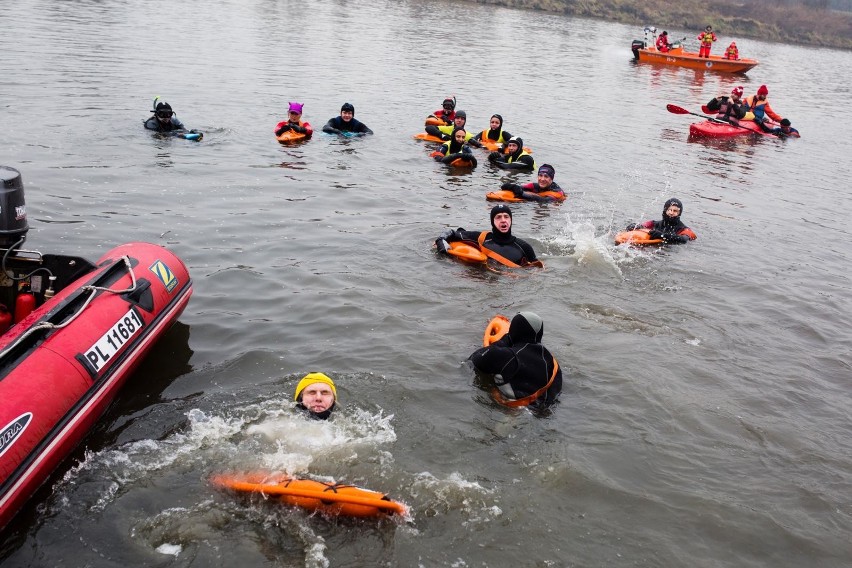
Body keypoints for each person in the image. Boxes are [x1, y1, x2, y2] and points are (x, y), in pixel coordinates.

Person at [469, 312, 562, 410]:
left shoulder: (507, 356)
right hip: (543, 414)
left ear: (514, 330)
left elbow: (473, 360)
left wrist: (504, 341)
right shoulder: (553, 363)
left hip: (513, 413)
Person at [435, 204, 540, 268]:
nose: (503, 220)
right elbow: (452, 233)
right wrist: (441, 241)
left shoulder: (524, 247)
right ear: (492, 222)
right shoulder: (482, 238)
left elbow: (537, 270)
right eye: (498, 217)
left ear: (510, 220)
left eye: (506, 217)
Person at [625, 198, 697, 244]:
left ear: (679, 213)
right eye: (669, 210)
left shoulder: (684, 229)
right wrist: (635, 226)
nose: (671, 213)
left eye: (675, 211)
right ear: (665, 210)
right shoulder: (653, 223)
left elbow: (684, 239)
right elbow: (642, 226)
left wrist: (662, 235)